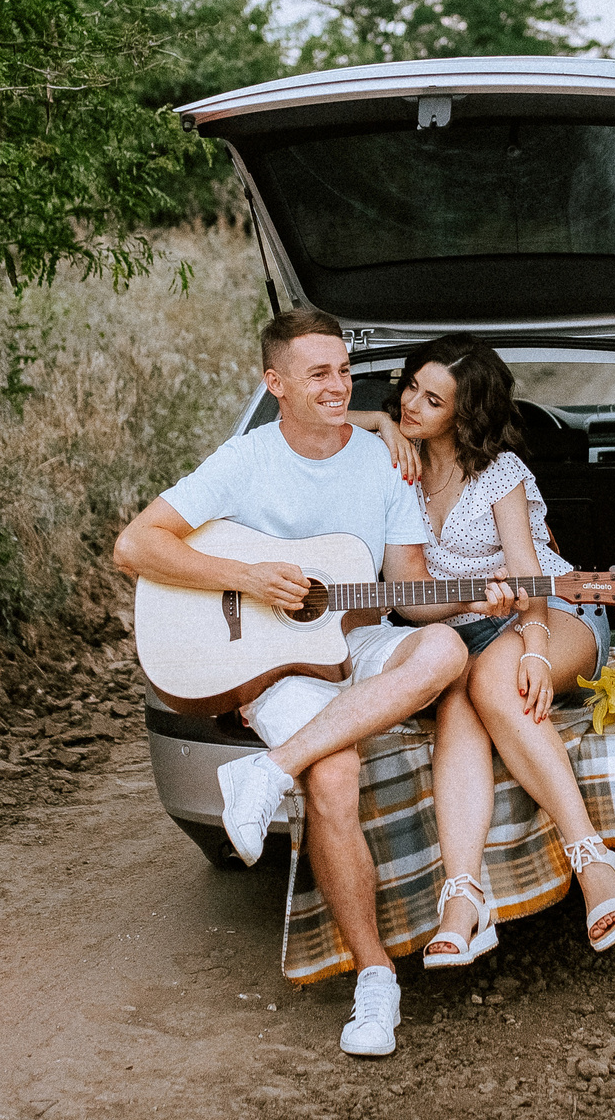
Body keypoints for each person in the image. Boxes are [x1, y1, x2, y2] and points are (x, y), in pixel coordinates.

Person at [111, 308, 504, 1058]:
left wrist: (480, 591)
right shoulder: (244, 460)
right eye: (318, 372)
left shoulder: (385, 461)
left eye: (344, 370)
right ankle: (376, 978)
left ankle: (267, 771)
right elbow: (136, 544)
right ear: (276, 383)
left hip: (356, 644)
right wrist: (247, 576)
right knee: (335, 771)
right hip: (272, 659)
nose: (338, 383)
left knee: (445, 652)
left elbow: (410, 588)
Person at [352, 334, 615, 969]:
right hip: (462, 627)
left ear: (465, 413)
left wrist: (535, 648)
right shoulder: (392, 461)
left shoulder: (501, 475)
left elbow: (530, 575)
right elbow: (411, 597)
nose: (411, 405)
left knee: (493, 682)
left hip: (555, 610)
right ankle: (464, 898)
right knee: (462, 693)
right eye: (409, 389)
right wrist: (373, 418)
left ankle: (593, 860)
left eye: (433, 399)